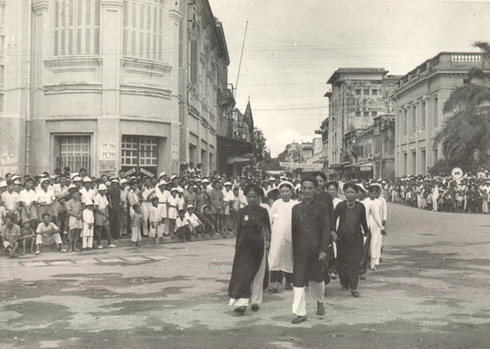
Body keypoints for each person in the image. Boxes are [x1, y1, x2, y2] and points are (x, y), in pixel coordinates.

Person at [290, 176, 331, 324]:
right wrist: (293, 252)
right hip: (300, 251)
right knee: (298, 281)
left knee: (316, 279)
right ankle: (300, 313)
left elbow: (326, 229)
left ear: (315, 189)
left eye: (310, 188)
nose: (307, 191)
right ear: (300, 189)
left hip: (316, 250)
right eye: (304, 188)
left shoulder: (321, 207)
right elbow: (294, 232)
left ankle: (320, 301)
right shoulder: (296, 208)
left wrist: (324, 249)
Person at [228, 184, 271, 316]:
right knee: (243, 274)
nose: (252, 199)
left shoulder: (263, 211)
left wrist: (268, 243)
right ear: (245, 197)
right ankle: (242, 304)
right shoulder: (241, 212)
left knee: (258, 274)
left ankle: (255, 301)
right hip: (244, 247)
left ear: (259, 197)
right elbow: (239, 231)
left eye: (255, 197)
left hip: (259, 245)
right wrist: (237, 247)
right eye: (249, 197)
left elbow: (267, 228)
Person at [331, 183, 369, 297]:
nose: (350, 195)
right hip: (342, 238)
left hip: (356, 238)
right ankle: (344, 282)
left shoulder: (360, 206)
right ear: (344, 193)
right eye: (348, 192)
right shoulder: (340, 206)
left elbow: (363, 221)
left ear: (357, 194)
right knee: (342, 262)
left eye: (352, 192)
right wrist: (332, 231)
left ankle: (353, 287)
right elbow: (333, 219)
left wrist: (366, 231)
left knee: (354, 263)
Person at [268, 181, 297, 293]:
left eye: (287, 191)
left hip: (290, 235)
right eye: (282, 191)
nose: (284, 194)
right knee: (276, 257)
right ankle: (276, 283)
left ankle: (289, 281)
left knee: (289, 257)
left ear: (291, 192)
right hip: (277, 235)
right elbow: (271, 218)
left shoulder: (295, 204)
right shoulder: (276, 203)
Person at [94, 184, 116, 249]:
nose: (104, 191)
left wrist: (107, 213)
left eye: (104, 190)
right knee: (99, 229)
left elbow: (106, 205)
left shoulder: (104, 196)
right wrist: (104, 214)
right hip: (99, 213)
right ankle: (99, 244)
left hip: (104, 212)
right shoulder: (97, 197)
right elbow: (97, 208)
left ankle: (110, 243)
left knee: (107, 229)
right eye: (103, 190)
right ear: (100, 190)